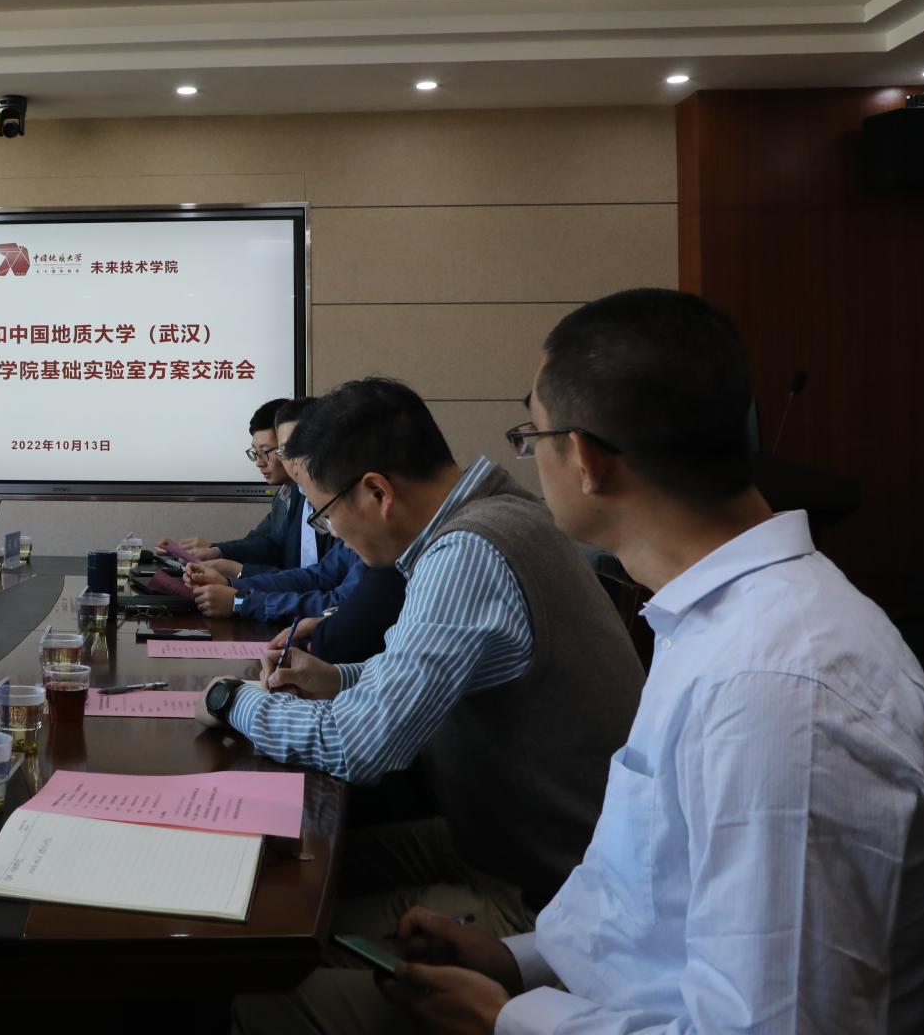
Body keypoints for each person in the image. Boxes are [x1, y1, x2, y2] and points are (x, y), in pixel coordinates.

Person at [374, 289, 924, 1035]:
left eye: (532, 435)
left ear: (585, 458)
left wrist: (511, 1020)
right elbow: (656, 906)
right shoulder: (716, 622)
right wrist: (514, 962)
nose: (532, 458)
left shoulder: (776, 688)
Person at [205, 377, 643, 995]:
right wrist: (337, 677)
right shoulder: (503, 515)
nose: (332, 535)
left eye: (325, 515)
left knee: (258, 974)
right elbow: (424, 671)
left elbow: (358, 748)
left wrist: (231, 700)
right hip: (500, 837)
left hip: (544, 892)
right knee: (278, 870)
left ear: (377, 492)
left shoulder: (466, 553)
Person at [185, 398, 363, 623]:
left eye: (287, 451)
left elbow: (338, 603)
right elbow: (315, 575)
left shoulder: (366, 525)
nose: (291, 462)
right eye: (285, 452)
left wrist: (240, 596)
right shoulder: (293, 494)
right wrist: (232, 582)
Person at [165, 396, 293, 563]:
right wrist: (212, 550)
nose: (259, 462)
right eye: (256, 452)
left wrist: (235, 573)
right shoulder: (283, 496)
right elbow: (257, 543)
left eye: (265, 451)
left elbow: (277, 553)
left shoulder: (308, 497)